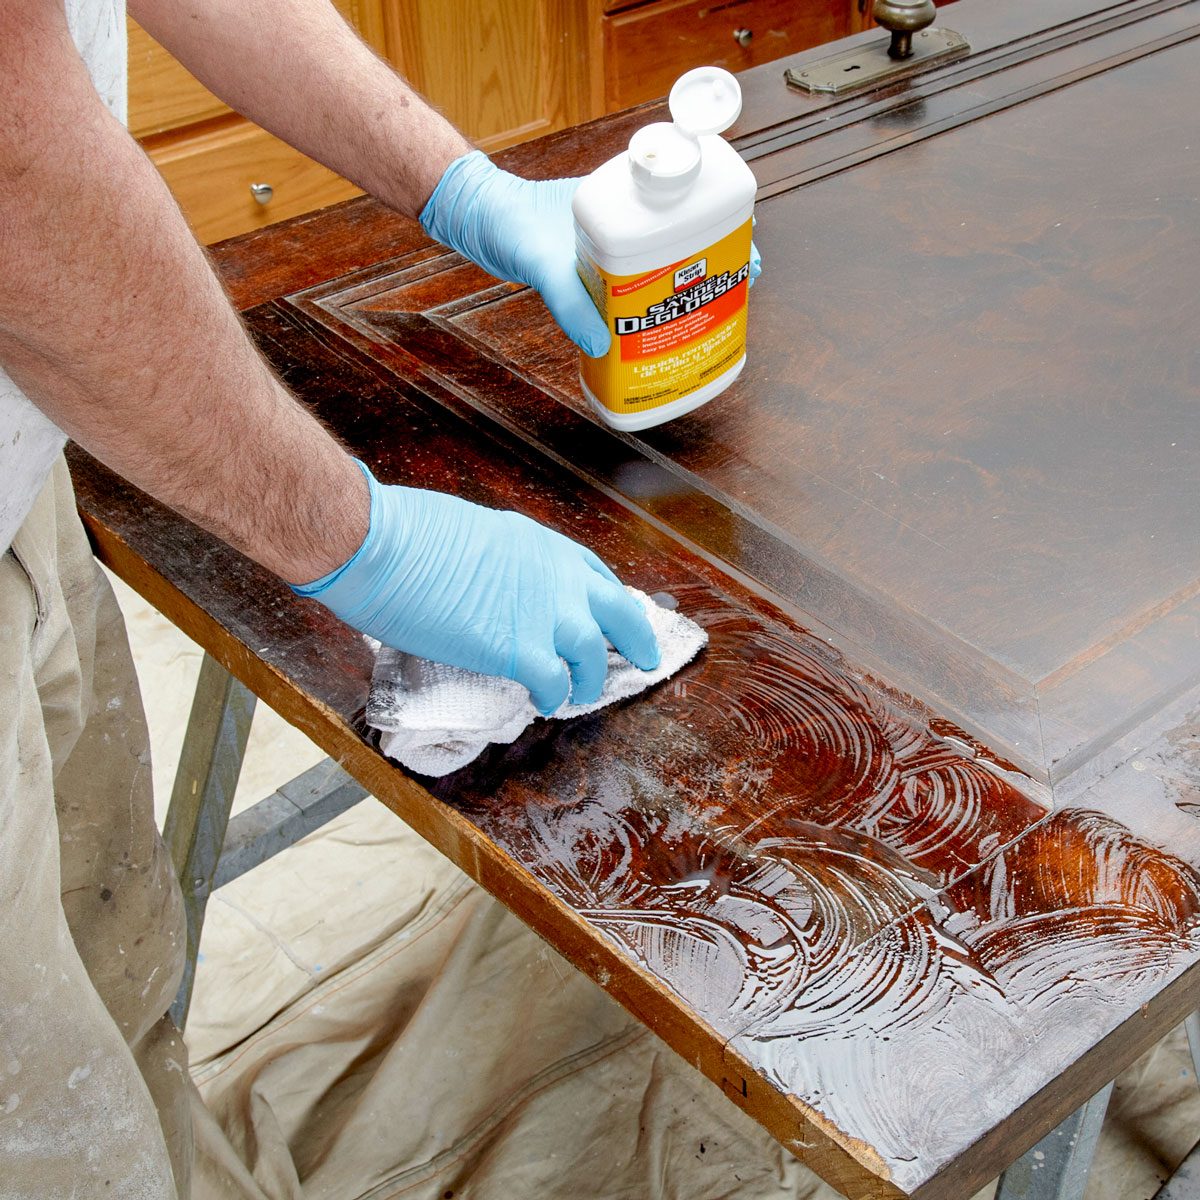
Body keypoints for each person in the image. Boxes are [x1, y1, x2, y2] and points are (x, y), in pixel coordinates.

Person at [0, 1, 662, 1195]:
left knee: (115, 972)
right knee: (39, 1129)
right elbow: (10, 170)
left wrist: (462, 186)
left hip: (14, 462)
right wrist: (363, 542)